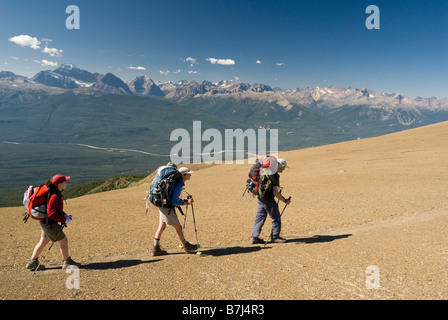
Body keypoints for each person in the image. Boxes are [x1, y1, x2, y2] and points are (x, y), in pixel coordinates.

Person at [26, 174, 80, 270]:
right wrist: (64, 219)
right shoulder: (54, 196)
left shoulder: (53, 193)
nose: (66, 183)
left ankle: (32, 262)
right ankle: (66, 262)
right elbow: (51, 213)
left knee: (43, 241)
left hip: (45, 222)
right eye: (64, 181)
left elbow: (55, 210)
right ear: (59, 184)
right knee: (64, 241)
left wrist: (64, 215)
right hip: (50, 224)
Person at [152, 167, 198, 256]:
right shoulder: (178, 184)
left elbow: (173, 198)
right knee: (179, 228)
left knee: (162, 225)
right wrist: (186, 203)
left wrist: (183, 201)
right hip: (167, 208)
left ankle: (156, 248)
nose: (190, 175)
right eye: (188, 173)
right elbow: (174, 201)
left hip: (162, 204)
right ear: (183, 175)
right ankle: (186, 246)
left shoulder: (175, 182)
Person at [250, 158, 291, 244]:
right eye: (283, 167)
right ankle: (275, 237)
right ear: (279, 166)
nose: (284, 169)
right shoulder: (274, 175)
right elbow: (275, 192)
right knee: (276, 217)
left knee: (260, 216)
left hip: (261, 197)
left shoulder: (264, 171)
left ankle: (254, 237)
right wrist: (285, 200)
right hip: (268, 199)